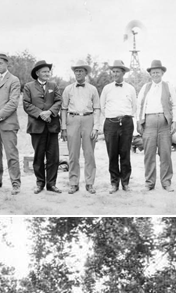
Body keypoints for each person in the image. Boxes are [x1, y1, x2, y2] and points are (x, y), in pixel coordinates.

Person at [22, 59, 63, 193]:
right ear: (38, 73)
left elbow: (58, 101)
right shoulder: (28, 86)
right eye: (44, 71)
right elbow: (26, 105)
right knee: (38, 156)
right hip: (37, 127)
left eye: (48, 71)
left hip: (52, 126)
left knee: (53, 157)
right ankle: (40, 183)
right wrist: (40, 114)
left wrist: (50, 112)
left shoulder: (54, 85)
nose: (47, 73)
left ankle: (51, 184)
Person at [61, 60, 102, 194]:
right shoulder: (68, 89)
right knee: (73, 154)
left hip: (88, 119)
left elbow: (97, 108)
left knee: (89, 154)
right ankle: (73, 183)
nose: (78, 73)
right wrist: (64, 128)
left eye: (81, 71)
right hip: (72, 120)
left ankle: (89, 183)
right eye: (76, 71)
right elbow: (63, 109)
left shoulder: (92, 89)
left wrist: (96, 127)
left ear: (86, 73)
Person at [0, 52, 22, 193]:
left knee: (11, 154)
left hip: (8, 124)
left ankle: (15, 183)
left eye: (1, 63)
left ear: (7, 64)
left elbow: (13, 102)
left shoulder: (14, 80)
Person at [135, 59, 173, 192]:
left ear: (162, 73)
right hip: (149, 123)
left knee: (165, 153)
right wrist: (139, 122)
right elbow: (139, 105)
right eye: (153, 72)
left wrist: (174, 121)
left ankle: (166, 182)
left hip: (164, 123)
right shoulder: (145, 88)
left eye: (158, 72)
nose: (155, 74)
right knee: (149, 154)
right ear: (150, 74)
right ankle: (149, 183)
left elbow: (174, 104)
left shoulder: (169, 87)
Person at [100, 60, 137, 193]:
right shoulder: (107, 88)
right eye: (113, 71)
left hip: (126, 123)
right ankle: (114, 183)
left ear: (123, 73)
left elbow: (134, 107)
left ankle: (125, 182)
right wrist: (112, 117)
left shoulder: (130, 88)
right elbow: (102, 106)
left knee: (125, 153)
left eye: (118, 71)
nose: (115, 74)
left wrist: (126, 117)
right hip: (111, 124)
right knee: (112, 154)